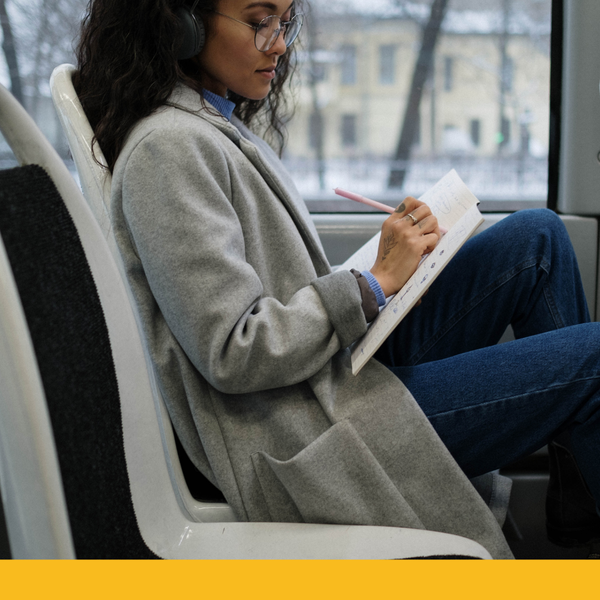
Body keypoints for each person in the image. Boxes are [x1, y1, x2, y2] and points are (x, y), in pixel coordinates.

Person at [75, 0, 600, 558]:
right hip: (306, 425)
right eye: (258, 23)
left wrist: (399, 267)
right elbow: (233, 348)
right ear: (179, 24)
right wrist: (371, 285)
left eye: (284, 22)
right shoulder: (168, 150)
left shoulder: (212, 122)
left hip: (325, 379)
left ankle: (579, 517)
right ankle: (585, 537)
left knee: (537, 239)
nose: (278, 44)